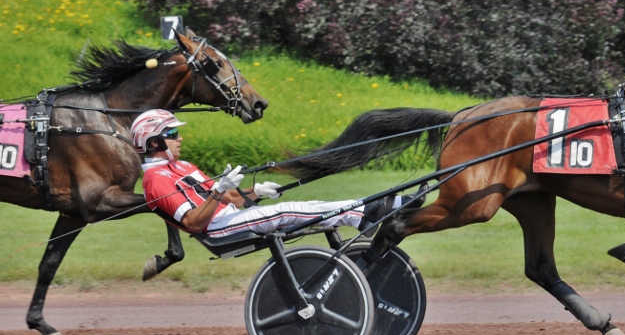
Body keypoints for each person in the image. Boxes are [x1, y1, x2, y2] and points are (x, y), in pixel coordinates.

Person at [130, 109, 413, 240]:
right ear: (153, 142)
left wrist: (257, 193)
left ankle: (386, 207)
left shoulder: (182, 166)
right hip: (216, 230)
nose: (179, 138)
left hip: (228, 217)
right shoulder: (155, 181)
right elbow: (193, 222)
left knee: (308, 206)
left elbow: (228, 198)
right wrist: (218, 191)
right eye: (172, 133)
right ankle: (362, 214)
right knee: (289, 211)